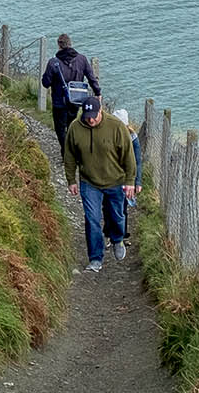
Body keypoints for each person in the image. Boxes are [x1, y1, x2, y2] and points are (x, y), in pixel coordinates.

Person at [62, 95, 136, 271]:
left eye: (94, 115)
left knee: (117, 217)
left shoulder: (116, 127)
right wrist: (71, 180)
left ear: (100, 111)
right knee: (92, 219)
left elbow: (128, 156)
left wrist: (130, 181)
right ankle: (95, 258)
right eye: (87, 116)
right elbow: (70, 155)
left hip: (115, 181)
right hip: (89, 182)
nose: (91, 119)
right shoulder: (75, 128)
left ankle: (117, 239)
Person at [40, 33, 100, 154]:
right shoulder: (81, 59)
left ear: (59, 46)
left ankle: (66, 151)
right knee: (72, 125)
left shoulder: (53, 62)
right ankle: (72, 150)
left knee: (60, 128)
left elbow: (46, 83)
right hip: (76, 100)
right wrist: (97, 92)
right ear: (70, 44)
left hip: (58, 102)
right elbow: (91, 77)